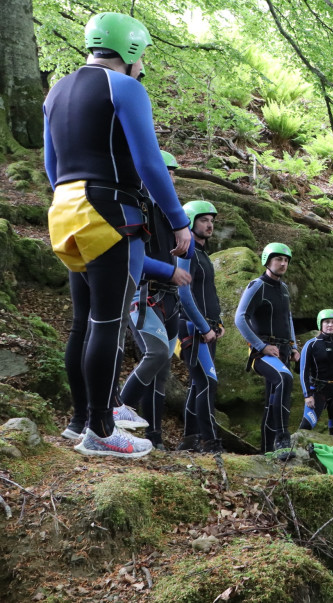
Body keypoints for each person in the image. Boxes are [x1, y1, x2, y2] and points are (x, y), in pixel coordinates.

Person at [45, 11, 191, 458]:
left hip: (64, 208)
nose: (143, 65)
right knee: (106, 322)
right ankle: (102, 428)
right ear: (129, 51)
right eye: (142, 55)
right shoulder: (125, 87)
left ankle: (78, 421)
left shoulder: (57, 91)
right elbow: (149, 164)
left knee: (81, 323)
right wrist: (178, 219)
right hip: (108, 210)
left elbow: (52, 167)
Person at [117, 151, 194, 450]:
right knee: (158, 353)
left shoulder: (170, 213)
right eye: (165, 172)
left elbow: (188, 252)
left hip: (170, 299)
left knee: (162, 373)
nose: (170, 178)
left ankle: (154, 437)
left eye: (173, 173)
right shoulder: (137, 208)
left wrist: (182, 227)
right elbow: (134, 259)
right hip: (145, 294)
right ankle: (111, 416)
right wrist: (169, 270)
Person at [235, 243, 299, 458]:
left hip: (282, 350)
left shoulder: (283, 289)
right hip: (262, 352)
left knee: (273, 398)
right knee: (284, 379)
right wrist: (261, 346)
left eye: (286, 260)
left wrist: (293, 346)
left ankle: (267, 450)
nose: (283, 263)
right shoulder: (257, 285)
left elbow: (287, 319)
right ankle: (282, 440)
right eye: (278, 259)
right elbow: (240, 317)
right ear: (267, 260)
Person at [175, 200, 225, 453]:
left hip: (207, 328)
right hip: (193, 328)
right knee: (207, 382)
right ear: (191, 221)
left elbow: (209, 292)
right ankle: (210, 441)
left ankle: (189, 438)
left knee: (198, 384)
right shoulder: (188, 250)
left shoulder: (203, 253)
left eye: (212, 221)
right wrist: (204, 327)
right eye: (204, 220)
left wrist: (218, 323)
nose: (210, 224)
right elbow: (184, 294)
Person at [298, 309, 333, 436]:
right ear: (320, 324)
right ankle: (294, 452)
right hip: (317, 391)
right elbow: (304, 372)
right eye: (327, 322)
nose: (330, 325)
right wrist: (307, 395)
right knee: (306, 427)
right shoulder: (311, 345)